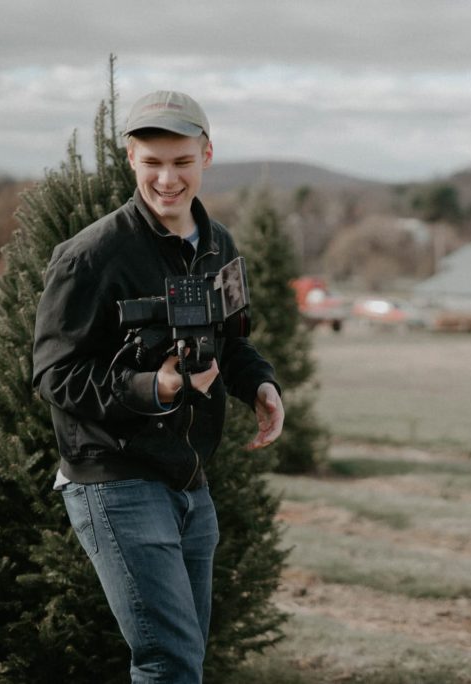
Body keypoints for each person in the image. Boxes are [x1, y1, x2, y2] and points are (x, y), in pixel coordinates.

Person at [32, 90, 284, 682]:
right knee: (168, 662)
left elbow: (231, 340)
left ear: (207, 156)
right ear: (131, 160)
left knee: (184, 659)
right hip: (115, 479)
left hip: (190, 482)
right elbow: (53, 375)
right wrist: (156, 387)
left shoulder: (219, 244)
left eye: (181, 161)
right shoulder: (90, 257)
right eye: (152, 163)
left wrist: (260, 386)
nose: (167, 179)